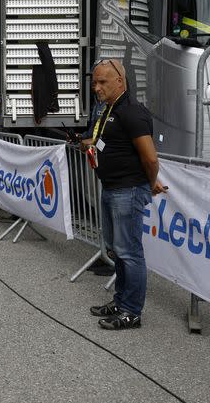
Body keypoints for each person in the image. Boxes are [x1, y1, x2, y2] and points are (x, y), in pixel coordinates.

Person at [84, 59, 165, 330]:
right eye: (95, 82)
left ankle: (131, 311)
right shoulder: (111, 109)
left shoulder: (132, 112)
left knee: (129, 253)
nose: (97, 87)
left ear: (120, 81)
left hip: (127, 192)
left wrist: (149, 183)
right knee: (118, 251)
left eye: (103, 82)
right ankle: (120, 302)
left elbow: (151, 159)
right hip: (112, 189)